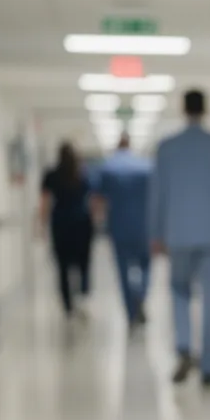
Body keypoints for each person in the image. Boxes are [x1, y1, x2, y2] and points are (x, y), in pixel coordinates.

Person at [149, 89, 210, 386]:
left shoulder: (166, 147)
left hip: (178, 235)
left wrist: (156, 232)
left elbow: (158, 194)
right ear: (205, 109)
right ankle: (209, 369)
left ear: (183, 109)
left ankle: (184, 347)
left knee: (179, 291)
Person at [93, 132, 153, 328]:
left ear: (118, 145)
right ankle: (140, 294)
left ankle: (131, 311)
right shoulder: (146, 166)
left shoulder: (107, 168)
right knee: (145, 266)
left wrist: (97, 225)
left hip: (119, 228)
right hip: (144, 227)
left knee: (123, 270)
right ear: (130, 145)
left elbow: (98, 201)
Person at [39, 142, 94, 317]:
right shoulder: (82, 174)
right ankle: (83, 296)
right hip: (82, 224)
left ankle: (68, 305)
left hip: (61, 224)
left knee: (63, 266)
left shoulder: (52, 175)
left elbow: (45, 202)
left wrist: (42, 225)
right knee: (83, 264)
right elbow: (92, 200)